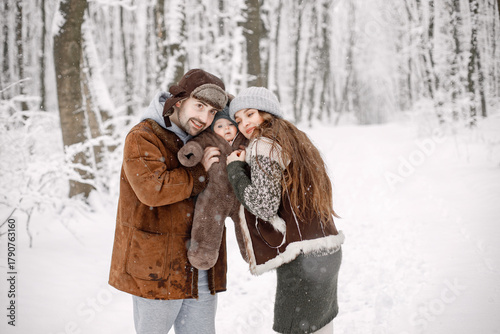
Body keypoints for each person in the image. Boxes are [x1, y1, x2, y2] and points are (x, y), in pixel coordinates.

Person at [109, 69, 228, 334]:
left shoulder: (205, 139)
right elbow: (153, 189)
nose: (205, 118)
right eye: (200, 106)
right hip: (156, 269)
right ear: (178, 101)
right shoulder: (143, 136)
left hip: (199, 269)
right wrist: (199, 173)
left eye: (212, 112)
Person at [226, 87, 345, 334]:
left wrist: (236, 169)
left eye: (250, 114)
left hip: (302, 259)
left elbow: (263, 204)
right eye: (238, 120)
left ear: (266, 113)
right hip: (327, 252)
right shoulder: (296, 139)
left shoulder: (263, 144)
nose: (244, 124)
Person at [177, 106, 248, 270]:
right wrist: (190, 154)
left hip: (240, 193)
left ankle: (253, 253)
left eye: (230, 125)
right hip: (214, 194)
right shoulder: (208, 139)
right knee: (207, 223)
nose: (226, 129)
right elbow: (194, 146)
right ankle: (202, 254)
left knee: (247, 224)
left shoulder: (243, 140)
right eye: (220, 126)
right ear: (213, 128)